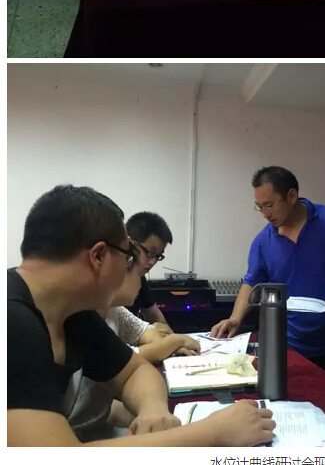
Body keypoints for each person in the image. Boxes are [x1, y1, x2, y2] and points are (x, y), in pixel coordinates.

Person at [8, 184, 275, 447]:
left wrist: (153, 411)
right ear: (98, 256)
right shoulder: (13, 322)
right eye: (127, 258)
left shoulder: (73, 313)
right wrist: (213, 432)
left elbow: (135, 371)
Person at [211, 167, 325, 420]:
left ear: (292, 196)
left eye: (270, 205)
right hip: (296, 339)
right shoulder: (263, 241)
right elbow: (251, 282)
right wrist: (236, 318)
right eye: (260, 207)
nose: (265, 214)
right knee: (307, 407)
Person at [69, 254, 201, 442]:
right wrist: (174, 341)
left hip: (95, 426)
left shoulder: (108, 312)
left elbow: (135, 364)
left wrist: (153, 409)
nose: (141, 284)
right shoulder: (70, 319)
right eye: (139, 274)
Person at [126, 212, 175, 331]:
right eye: (150, 253)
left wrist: (171, 336)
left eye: (158, 256)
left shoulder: (139, 277)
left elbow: (155, 317)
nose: (152, 262)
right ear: (130, 244)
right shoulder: (108, 279)